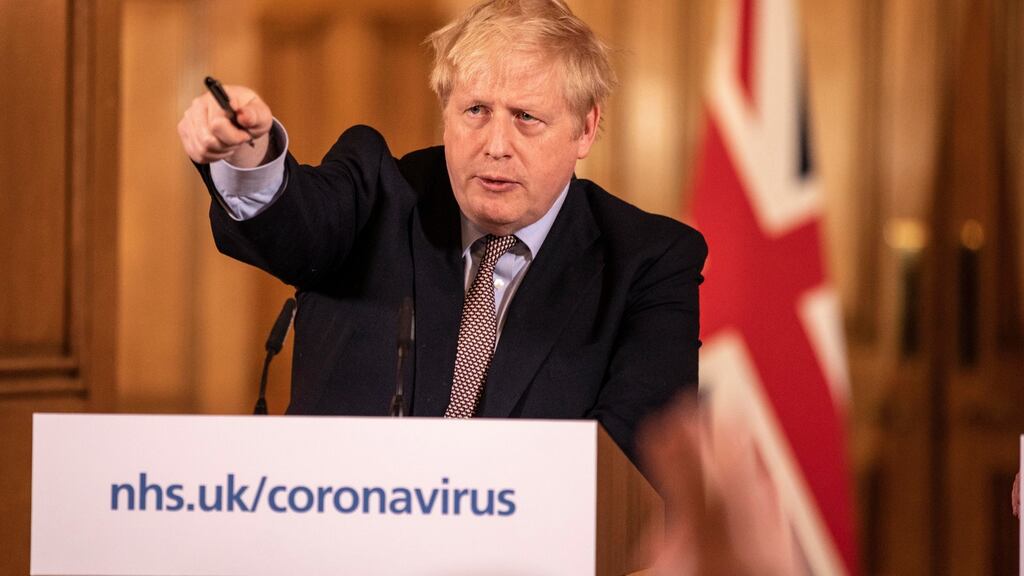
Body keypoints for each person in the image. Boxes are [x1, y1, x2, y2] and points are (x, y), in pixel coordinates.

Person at [177, 0, 706, 465]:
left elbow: (636, 453)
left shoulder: (649, 261)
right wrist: (247, 153)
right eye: (475, 111)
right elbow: (296, 220)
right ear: (445, 112)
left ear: (585, 128)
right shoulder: (378, 193)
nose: (496, 144)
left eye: (526, 117)